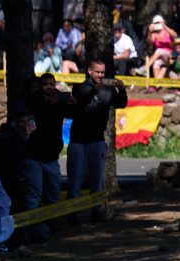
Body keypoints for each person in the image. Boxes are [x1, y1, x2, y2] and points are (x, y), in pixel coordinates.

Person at [67, 60, 126, 212]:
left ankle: (96, 211)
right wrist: (94, 90)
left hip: (97, 139)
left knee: (97, 181)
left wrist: (122, 90)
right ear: (89, 71)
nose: (100, 75)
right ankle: (72, 213)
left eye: (102, 72)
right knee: (75, 180)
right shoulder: (79, 87)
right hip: (78, 141)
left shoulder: (108, 90)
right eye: (97, 72)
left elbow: (121, 104)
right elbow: (80, 105)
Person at [22, 74, 70, 242]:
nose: (49, 87)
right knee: (34, 195)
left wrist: (66, 100)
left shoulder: (59, 99)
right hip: (34, 157)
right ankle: (30, 229)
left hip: (51, 157)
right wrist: (49, 102)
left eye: (51, 84)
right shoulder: (33, 100)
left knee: (54, 194)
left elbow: (72, 108)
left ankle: (53, 226)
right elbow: (31, 106)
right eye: (45, 84)